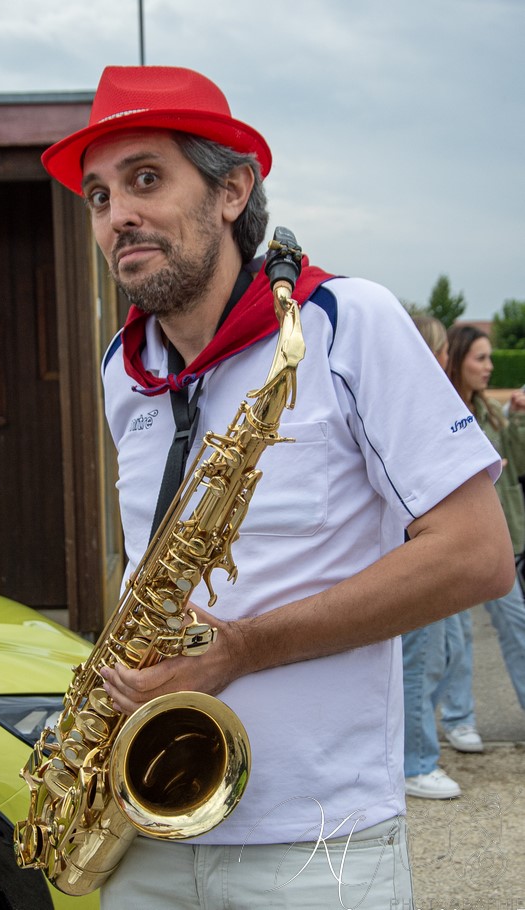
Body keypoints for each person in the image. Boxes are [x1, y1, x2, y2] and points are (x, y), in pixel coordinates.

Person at [41, 66, 514, 909]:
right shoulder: (125, 365)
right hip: (141, 823)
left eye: (146, 178)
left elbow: (477, 558)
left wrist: (243, 649)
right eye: (99, 196)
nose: (118, 216)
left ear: (233, 190)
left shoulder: (344, 323)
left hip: (318, 843)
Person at [439, 324, 525, 750]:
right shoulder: (442, 411)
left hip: (497, 541)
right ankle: (459, 718)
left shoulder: (492, 412)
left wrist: (519, 417)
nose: (489, 367)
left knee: (517, 623)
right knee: (459, 638)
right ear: (456, 360)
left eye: (492, 358)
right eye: (481, 358)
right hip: (455, 544)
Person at [401, 316, 470, 798]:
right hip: (419, 554)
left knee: (438, 652)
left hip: (424, 552)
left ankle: (419, 754)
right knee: (419, 658)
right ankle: (416, 762)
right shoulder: (416, 404)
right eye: (443, 348)